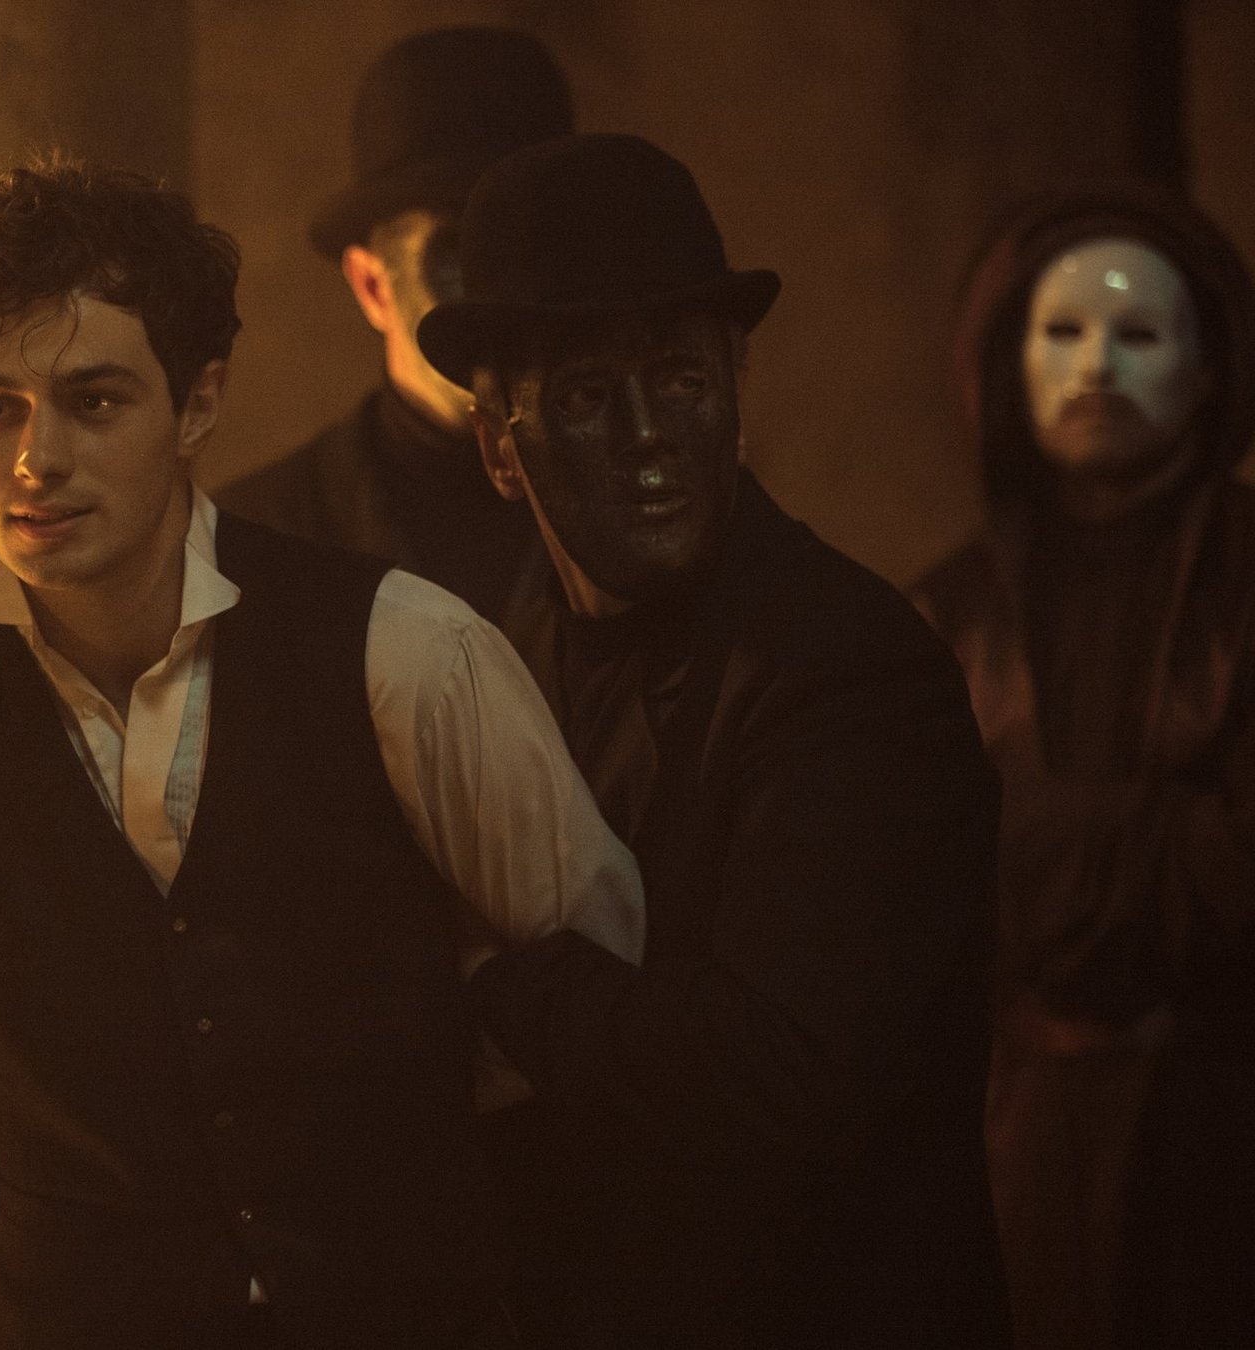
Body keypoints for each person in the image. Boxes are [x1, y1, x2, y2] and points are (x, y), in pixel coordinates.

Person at [0, 156, 645, 1349]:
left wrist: (410, 1071)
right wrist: (14, 1073)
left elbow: (599, 968)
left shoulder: (400, 650)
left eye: (94, 402)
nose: (34, 459)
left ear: (196, 406)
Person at [416, 132, 1009, 1347]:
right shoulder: (505, 653)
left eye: (682, 379)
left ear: (737, 393)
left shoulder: (849, 666)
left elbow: (777, 1071)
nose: (648, 435)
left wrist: (489, 981)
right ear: (498, 447)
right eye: (587, 397)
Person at [910, 185, 1255, 1350]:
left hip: (1225, 1136)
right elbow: (912, 886)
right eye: (1062, 330)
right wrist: (1164, 834)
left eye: (1139, 332)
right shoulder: (939, 620)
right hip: (1019, 1149)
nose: (1097, 362)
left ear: (1207, 370)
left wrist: (1022, 840)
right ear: (1008, 362)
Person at [214, 27, 572, 621]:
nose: (505, 293)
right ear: (373, 286)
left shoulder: (659, 509)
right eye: (459, 252)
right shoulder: (247, 549)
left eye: (537, 242)